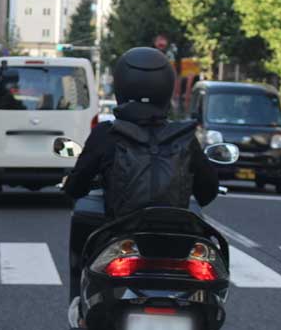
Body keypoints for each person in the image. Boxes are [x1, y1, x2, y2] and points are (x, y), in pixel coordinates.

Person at [62, 47, 219, 303]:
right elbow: (208, 190)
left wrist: (73, 184)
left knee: (84, 242)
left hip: (120, 237)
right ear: (166, 88)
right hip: (176, 244)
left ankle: (80, 308)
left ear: (121, 86)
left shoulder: (107, 134)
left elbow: (76, 187)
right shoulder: (184, 137)